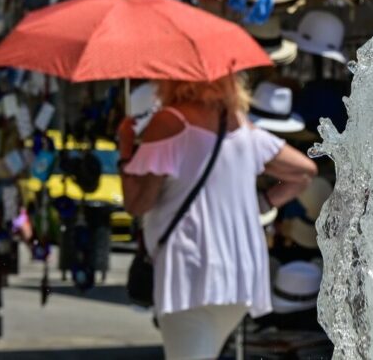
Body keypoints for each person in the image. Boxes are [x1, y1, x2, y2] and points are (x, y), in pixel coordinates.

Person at [117, 74, 317, 360]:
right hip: (239, 273)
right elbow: (304, 172)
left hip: (188, 270)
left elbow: (137, 203)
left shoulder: (170, 121)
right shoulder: (238, 124)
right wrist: (262, 203)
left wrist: (125, 148)